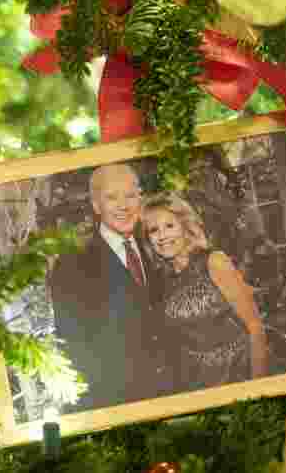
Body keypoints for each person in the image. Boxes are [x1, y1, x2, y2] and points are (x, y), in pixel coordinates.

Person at [47, 163, 173, 412]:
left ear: (140, 199)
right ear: (96, 205)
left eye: (130, 195)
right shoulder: (72, 263)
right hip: (118, 403)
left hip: (171, 391)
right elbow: (75, 349)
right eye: (112, 197)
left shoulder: (157, 243)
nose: (123, 206)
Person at [140, 192, 269, 392]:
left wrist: (259, 388)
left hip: (237, 378)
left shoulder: (214, 262)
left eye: (170, 226)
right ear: (148, 239)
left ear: (185, 227)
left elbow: (255, 327)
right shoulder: (159, 282)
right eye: (154, 230)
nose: (162, 236)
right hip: (195, 385)